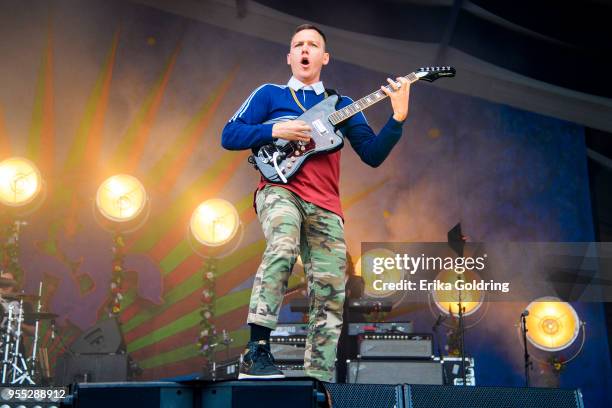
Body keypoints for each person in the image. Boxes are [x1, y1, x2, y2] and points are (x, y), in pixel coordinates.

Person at [221, 24, 411, 382]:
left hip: (326, 205)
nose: (305, 49)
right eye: (298, 44)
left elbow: (372, 154)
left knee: (330, 290)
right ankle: (258, 351)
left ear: (324, 58)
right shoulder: (268, 94)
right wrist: (274, 130)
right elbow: (229, 134)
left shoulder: (342, 106)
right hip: (280, 191)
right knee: (282, 245)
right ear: (290, 56)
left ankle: (319, 380)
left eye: (313, 45)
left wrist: (397, 119)